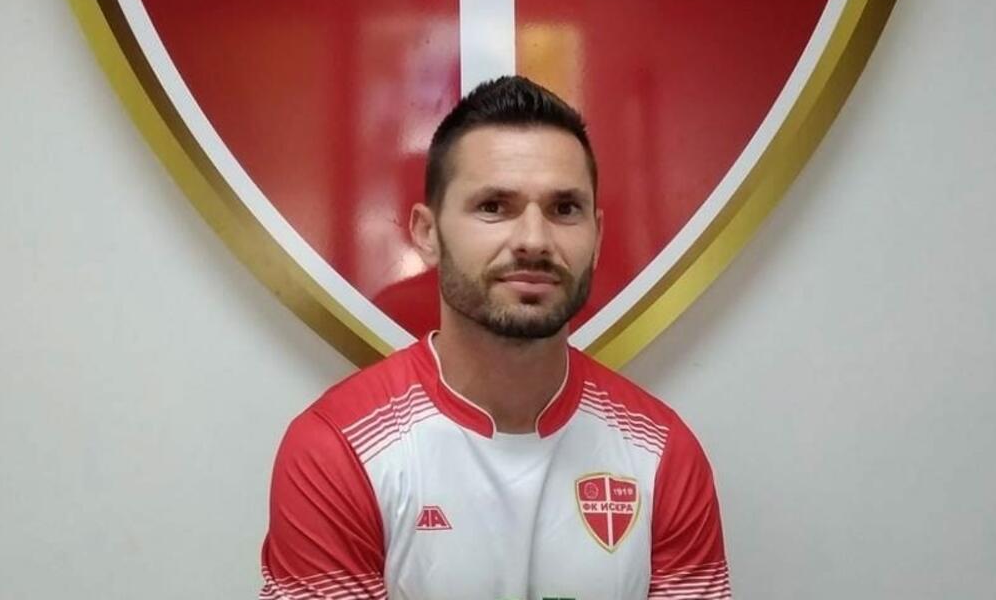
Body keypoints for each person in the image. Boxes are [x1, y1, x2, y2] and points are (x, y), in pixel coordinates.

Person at [259, 76, 731, 600]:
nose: (533, 240)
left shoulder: (662, 454)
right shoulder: (338, 452)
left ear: (597, 235)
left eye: (564, 209)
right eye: (493, 206)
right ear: (427, 233)